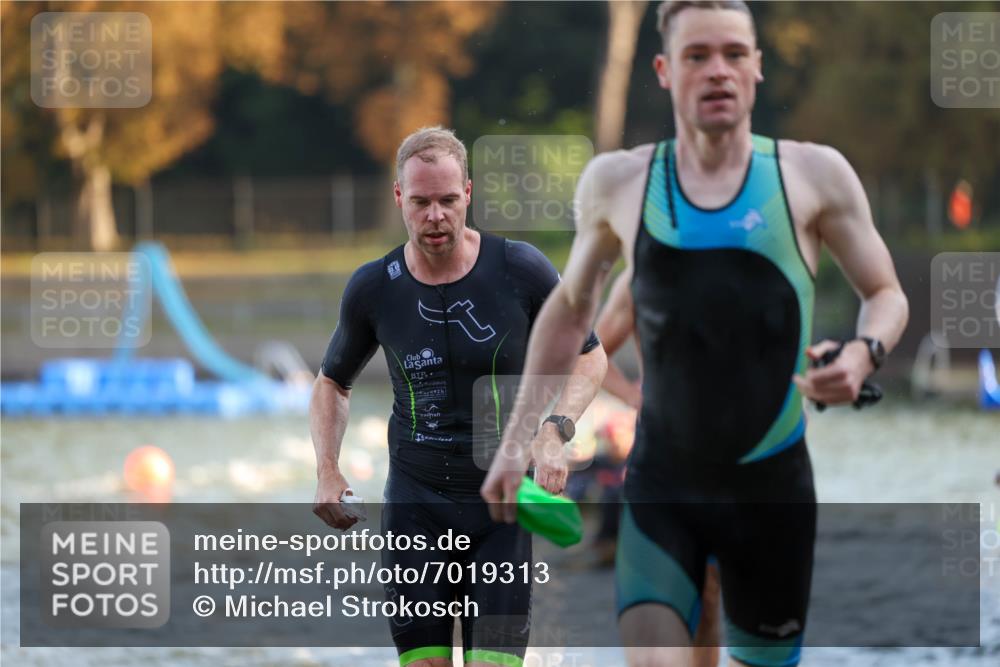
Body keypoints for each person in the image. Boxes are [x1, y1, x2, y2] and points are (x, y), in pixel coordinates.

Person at [481, 3, 909, 667]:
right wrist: (527, 438)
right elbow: (572, 317)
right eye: (697, 56)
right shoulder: (621, 185)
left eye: (735, 54)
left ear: (758, 67)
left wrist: (862, 353)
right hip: (663, 481)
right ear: (663, 70)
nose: (718, 71)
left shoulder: (814, 176)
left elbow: (885, 295)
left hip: (772, 488)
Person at [310, 126, 607, 667]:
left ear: (468, 192)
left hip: (500, 508)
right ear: (400, 197)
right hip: (415, 504)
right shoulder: (375, 288)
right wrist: (327, 467)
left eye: (448, 200)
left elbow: (589, 353)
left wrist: (554, 429)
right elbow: (331, 382)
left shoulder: (520, 269)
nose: (436, 216)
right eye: (420, 202)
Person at [587, 269, 723, 667]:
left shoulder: (742, 263)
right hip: (660, 456)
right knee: (660, 590)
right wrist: (634, 395)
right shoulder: (640, 275)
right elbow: (594, 352)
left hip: (727, 457)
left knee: (710, 592)